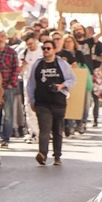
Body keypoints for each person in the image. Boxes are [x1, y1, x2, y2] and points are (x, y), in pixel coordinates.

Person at [26, 38, 75, 166]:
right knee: (44, 128)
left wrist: (61, 86)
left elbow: (72, 79)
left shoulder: (62, 64)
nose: (46, 51)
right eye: (44, 48)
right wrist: (31, 100)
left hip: (58, 102)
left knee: (57, 130)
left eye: (48, 48)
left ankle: (57, 156)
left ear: (54, 50)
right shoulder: (37, 64)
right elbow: (31, 83)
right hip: (42, 102)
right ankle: (42, 154)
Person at [0, 32, 22, 146]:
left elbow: (16, 68)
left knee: (8, 114)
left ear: (5, 38)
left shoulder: (11, 52)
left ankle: (5, 138)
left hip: (7, 87)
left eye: (2, 36)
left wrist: (12, 83)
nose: (0, 39)